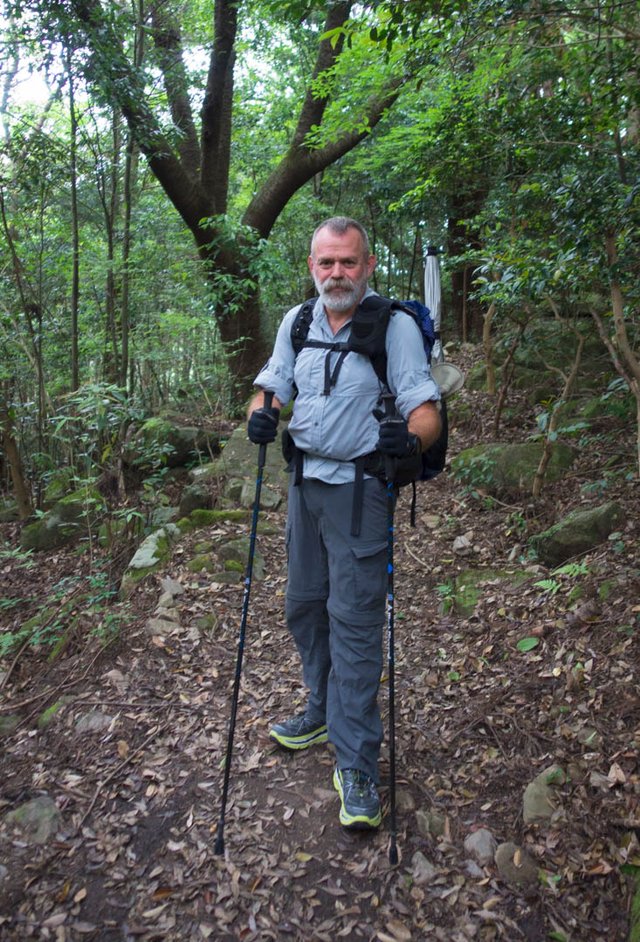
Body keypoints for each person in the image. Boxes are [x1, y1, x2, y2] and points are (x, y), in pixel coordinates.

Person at [246, 216, 441, 830]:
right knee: (304, 606)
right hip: (305, 487)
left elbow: (426, 410)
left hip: (362, 491)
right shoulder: (298, 322)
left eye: (348, 263)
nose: (337, 274)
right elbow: (270, 386)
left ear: (368, 264)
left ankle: (357, 762)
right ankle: (321, 707)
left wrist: (406, 445)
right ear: (312, 266)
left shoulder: (396, 327)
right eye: (326, 263)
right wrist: (262, 413)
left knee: (355, 624)